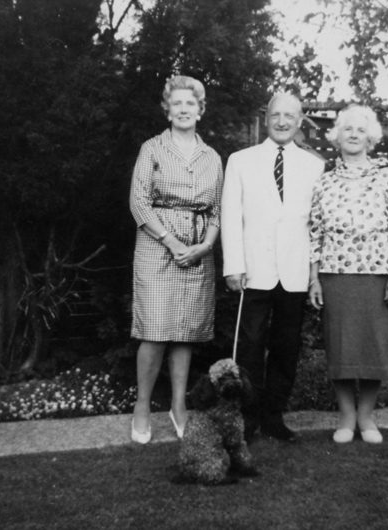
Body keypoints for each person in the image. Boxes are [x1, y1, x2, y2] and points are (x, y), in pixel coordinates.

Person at [221, 93, 325, 443]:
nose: (282, 122)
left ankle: (273, 417)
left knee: (286, 348)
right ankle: (247, 419)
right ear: (266, 119)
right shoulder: (241, 160)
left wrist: (313, 274)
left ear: (300, 121)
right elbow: (230, 216)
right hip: (253, 270)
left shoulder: (314, 166)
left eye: (289, 116)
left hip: (294, 272)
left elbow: (316, 225)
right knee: (249, 347)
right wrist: (233, 265)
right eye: (276, 115)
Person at [308, 104, 388, 444]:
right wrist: (314, 278)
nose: (353, 135)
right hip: (335, 274)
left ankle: (366, 417)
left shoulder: (387, 177)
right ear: (337, 136)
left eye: (360, 130)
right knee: (341, 347)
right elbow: (315, 232)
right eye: (347, 129)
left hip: (377, 274)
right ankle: (346, 416)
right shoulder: (324, 181)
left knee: (373, 347)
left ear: (371, 138)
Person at [129, 75, 223, 444]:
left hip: (197, 251)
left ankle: (179, 406)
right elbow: (139, 202)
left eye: (191, 103)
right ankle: (142, 406)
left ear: (201, 110)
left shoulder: (212, 157)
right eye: (177, 103)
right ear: (167, 110)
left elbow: (217, 210)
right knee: (155, 330)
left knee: (185, 331)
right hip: (157, 246)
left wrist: (205, 246)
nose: (184, 109)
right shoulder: (152, 149)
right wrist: (170, 241)